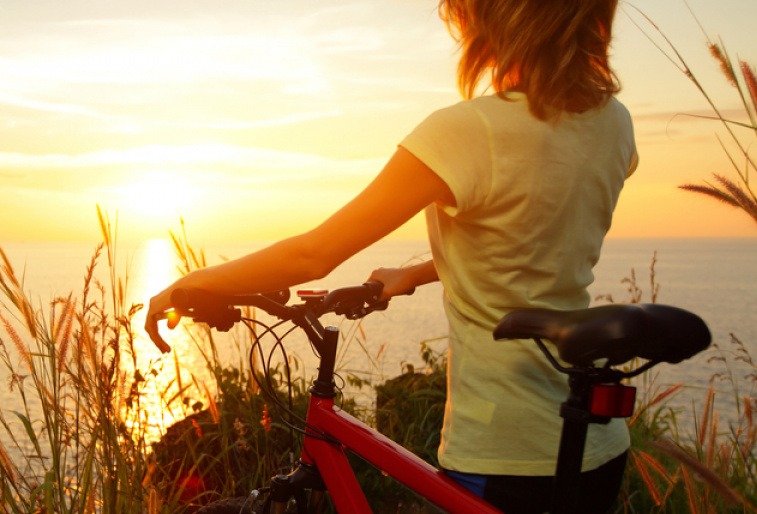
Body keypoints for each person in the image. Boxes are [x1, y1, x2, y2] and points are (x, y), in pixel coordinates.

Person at [146, 0, 636, 512]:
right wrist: (416, 272)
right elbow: (533, 241)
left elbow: (312, 255)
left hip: (504, 451)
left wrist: (192, 283)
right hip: (594, 443)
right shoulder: (613, 123)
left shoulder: (470, 131)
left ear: (499, 18)